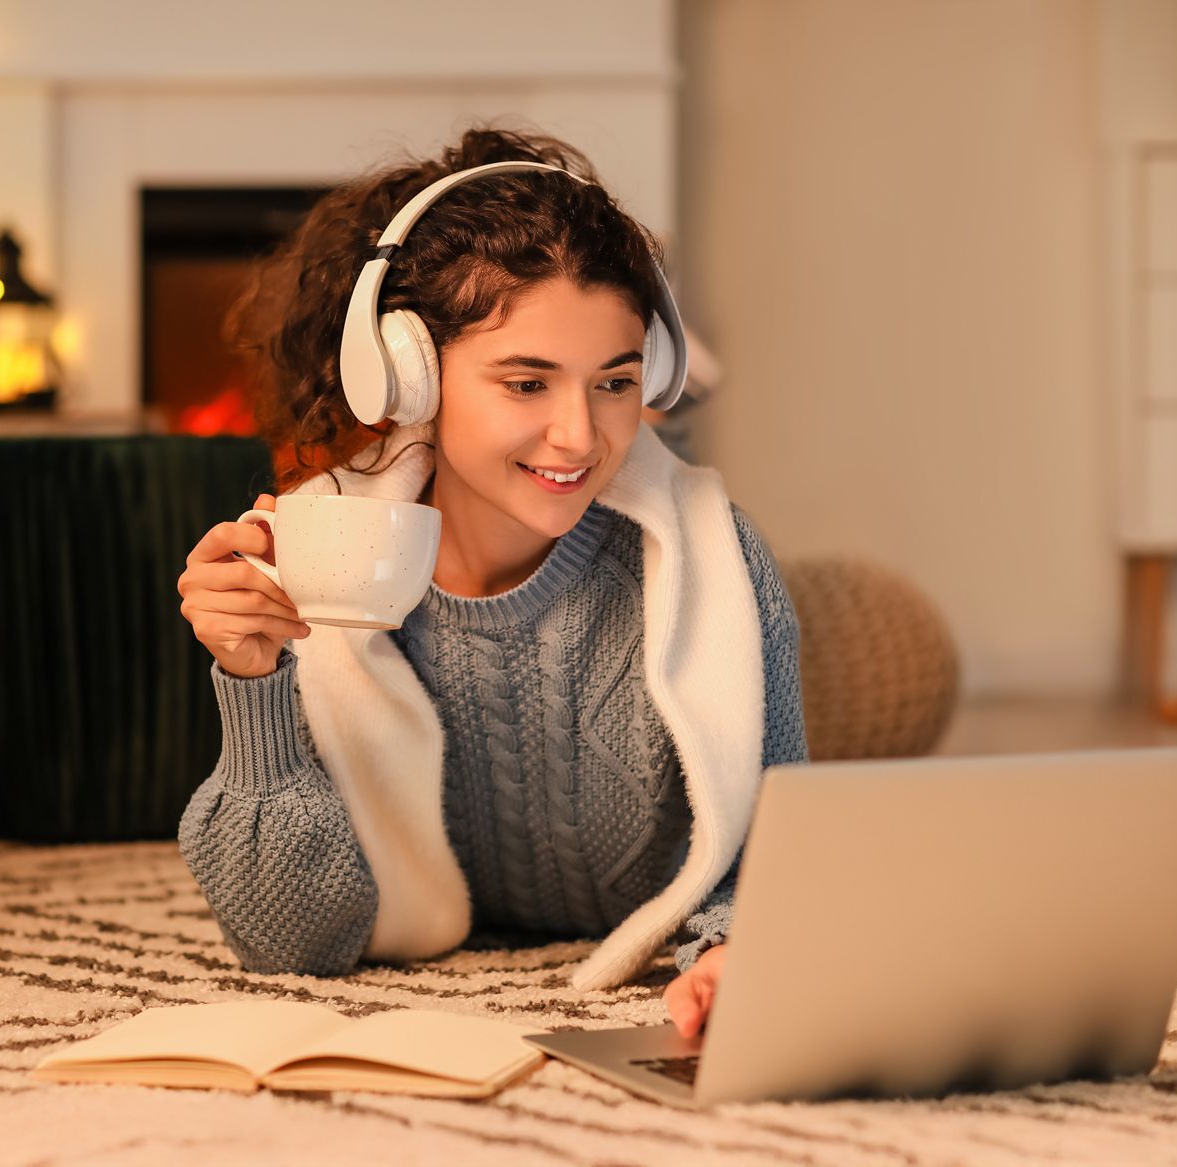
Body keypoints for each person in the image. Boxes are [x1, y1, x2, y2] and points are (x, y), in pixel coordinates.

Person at [172, 125, 806, 1038]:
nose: (579, 436)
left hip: (689, 593)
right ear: (412, 380)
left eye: (614, 383)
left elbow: (765, 847)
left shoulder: (720, 562)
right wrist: (251, 680)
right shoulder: (324, 553)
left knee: (856, 651)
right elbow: (290, 936)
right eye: (526, 383)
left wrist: (731, 950)